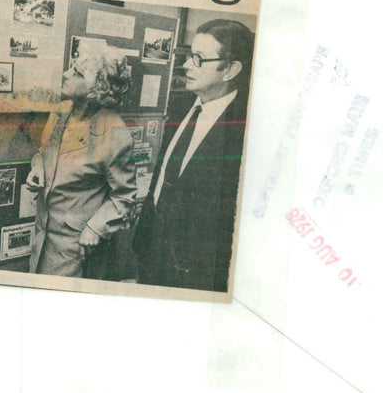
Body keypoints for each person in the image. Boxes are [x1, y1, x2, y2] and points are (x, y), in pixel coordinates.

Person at [133, 19, 254, 292]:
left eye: (198, 59)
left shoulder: (243, 132)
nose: (187, 65)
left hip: (194, 278)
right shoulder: (179, 105)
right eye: (189, 56)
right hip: (149, 258)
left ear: (230, 69)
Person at [27, 41, 136, 278]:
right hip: (43, 234)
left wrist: (96, 228)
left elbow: (124, 196)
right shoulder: (62, 110)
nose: (66, 74)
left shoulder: (114, 133)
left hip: (76, 247)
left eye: (76, 72)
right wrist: (37, 168)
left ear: (96, 87)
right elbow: (44, 153)